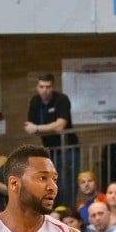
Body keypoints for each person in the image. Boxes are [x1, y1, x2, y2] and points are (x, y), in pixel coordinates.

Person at [24, 73, 79, 207]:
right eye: (41, 86)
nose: (44, 90)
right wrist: (44, 128)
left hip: (68, 147)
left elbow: (60, 125)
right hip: (50, 150)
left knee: (68, 183)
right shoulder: (35, 101)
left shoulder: (61, 99)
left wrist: (38, 128)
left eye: (48, 87)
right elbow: (28, 127)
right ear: (37, 87)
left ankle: (68, 212)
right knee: (51, 182)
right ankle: (55, 212)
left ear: (53, 87)